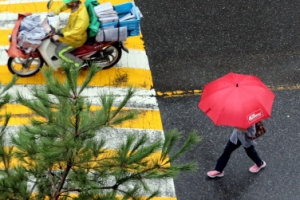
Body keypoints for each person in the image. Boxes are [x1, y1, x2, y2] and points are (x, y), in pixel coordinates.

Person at [50, 0, 89, 68]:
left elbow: (77, 31)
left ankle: (80, 63)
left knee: (59, 52)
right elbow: (64, 5)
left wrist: (64, 34)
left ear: (74, 3)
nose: (67, 4)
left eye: (69, 2)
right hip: (69, 32)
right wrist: (54, 12)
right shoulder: (75, 6)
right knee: (54, 38)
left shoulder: (82, 16)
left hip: (76, 39)